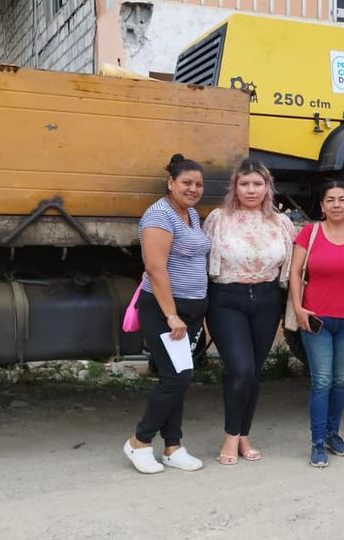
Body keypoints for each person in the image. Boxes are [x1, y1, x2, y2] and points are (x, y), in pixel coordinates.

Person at [203, 158, 295, 465]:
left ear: (267, 187)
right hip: (227, 299)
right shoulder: (219, 219)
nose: (251, 190)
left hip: (267, 299)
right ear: (235, 187)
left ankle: (244, 435)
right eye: (245, 184)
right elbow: (203, 261)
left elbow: (291, 266)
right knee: (240, 369)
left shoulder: (281, 222)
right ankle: (231, 436)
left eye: (257, 184)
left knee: (254, 371)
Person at [123, 154, 210, 474]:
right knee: (177, 377)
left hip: (191, 309)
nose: (193, 189)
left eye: (198, 184)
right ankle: (139, 442)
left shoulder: (190, 214)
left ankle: (172, 447)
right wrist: (172, 315)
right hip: (165, 310)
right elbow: (155, 268)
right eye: (186, 182)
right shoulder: (159, 215)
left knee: (179, 376)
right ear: (170, 183)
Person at [289, 182, 344, 468]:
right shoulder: (310, 232)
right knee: (322, 381)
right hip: (316, 319)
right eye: (330, 200)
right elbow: (294, 272)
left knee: (339, 381)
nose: (336, 204)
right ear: (322, 205)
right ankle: (317, 442)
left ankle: (332, 435)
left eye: (342, 199)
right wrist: (298, 307)